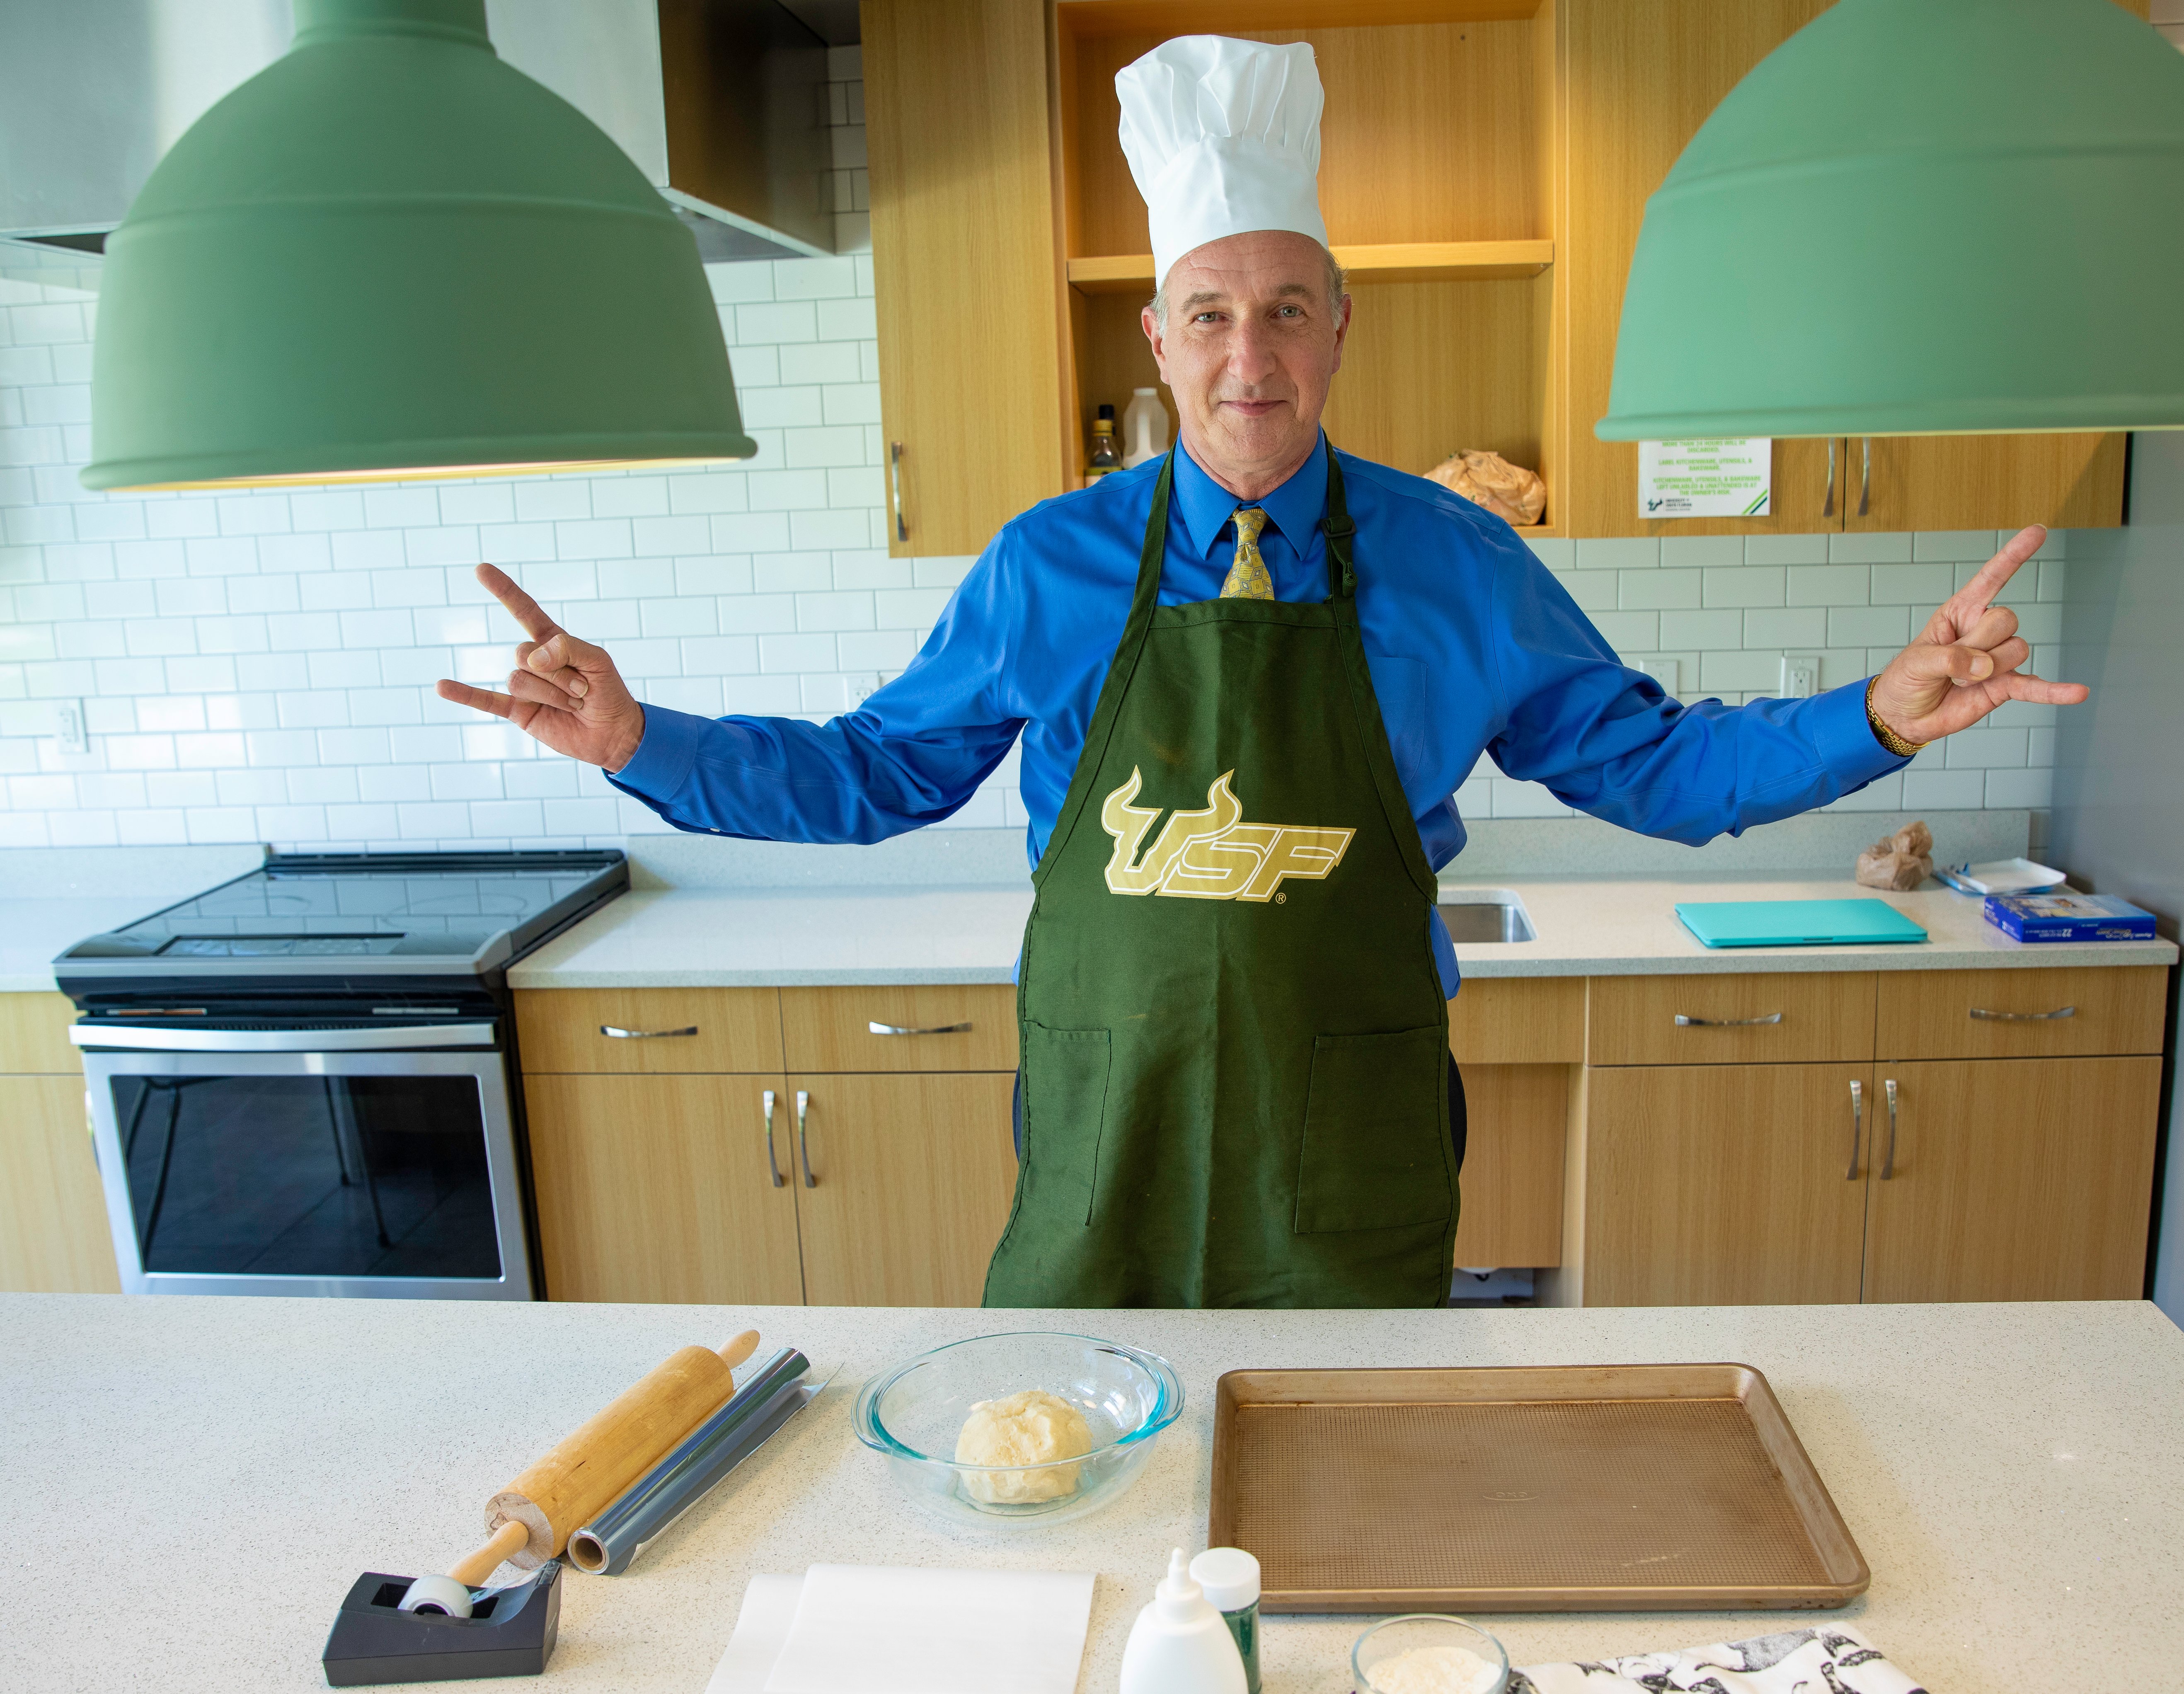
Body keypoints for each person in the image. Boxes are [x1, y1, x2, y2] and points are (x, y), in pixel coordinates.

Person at [438, 36, 2084, 1310]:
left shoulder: (1458, 561)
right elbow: (876, 774)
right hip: (1107, 1115)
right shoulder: (1045, 564)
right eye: (1211, 312)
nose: (1252, 355)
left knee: (1341, 1479)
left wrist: (1876, 714)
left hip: (1353, 1124)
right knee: (1101, 1462)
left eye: (1287, 310)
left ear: (1341, 329)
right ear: (1157, 339)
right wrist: (643, 736)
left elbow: (1654, 767)